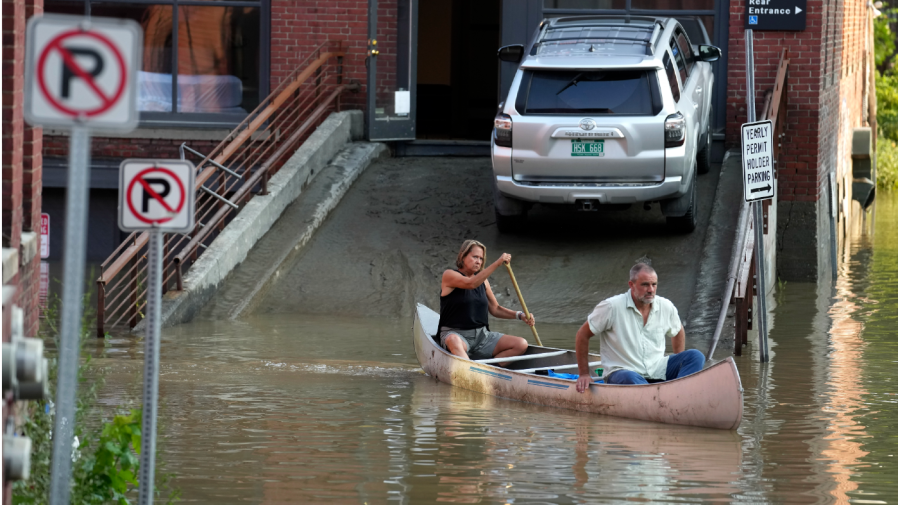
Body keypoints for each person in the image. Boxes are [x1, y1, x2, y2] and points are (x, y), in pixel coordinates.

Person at [574, 262, 705, 393]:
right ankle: (665, 397)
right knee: (630, 377)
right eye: (645, 285)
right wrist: (584, 374)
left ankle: (678, 393)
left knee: (695, 356)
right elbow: (583, 334)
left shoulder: (666, 306)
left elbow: (678, 330)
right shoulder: (611, 307)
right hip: (623, 372)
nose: (651, 290)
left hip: (657, 369)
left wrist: (678, 364)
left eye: (654, 284)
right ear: (632, 285)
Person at [438, 239, 535, 365]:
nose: (478, 261)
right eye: (475, 257)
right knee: (453, 340)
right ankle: (470, 372)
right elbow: (470, 284)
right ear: (462, 256)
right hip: (456, 334)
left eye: (481, 258)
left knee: (521, 344)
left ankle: (490, 370)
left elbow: (495, 309)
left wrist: (520, 315)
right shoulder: (449, 275)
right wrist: (497, 263)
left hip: (482, 336)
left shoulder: (484, 282)